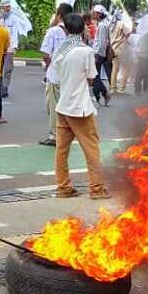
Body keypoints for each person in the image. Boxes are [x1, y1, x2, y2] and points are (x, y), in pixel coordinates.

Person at [50, 13, 110, 200]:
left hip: (63, 106)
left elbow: (56, 78)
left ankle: (63, 187)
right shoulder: (85, 52)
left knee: (61, 150)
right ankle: (97, 188)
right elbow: (92, 77)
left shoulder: (60, 51)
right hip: (81, 108)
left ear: (66, 29)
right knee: (92, 149)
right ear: (83, 28)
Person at [38, 3, 73, 146]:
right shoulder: (76, 31)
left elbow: (45, 53)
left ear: (59, 14)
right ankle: (65, 132)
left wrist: (48, 66)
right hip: (70, 74)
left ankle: (54, 136)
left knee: (53, 106)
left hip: (55, 74)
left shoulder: (53, 31)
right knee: (65, 105)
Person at [90, 5, 113, 107]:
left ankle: (100, 96)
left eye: (95, 12)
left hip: (99, 53)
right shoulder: (102, 24)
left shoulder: (102, 26)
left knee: (95, 76)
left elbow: (102, 42)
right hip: (100, 53)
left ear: (99, 14)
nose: (93, 14)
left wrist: (96, 55)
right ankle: (100, 96)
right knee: (95, 75)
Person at [110, 7, 133, 94]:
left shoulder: (111, 25)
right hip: (121, 48)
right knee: (126, 68)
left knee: (114, 69)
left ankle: (113, 88)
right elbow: (128, 32)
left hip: (113, 49)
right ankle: (121, 88)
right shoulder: (121, 24)